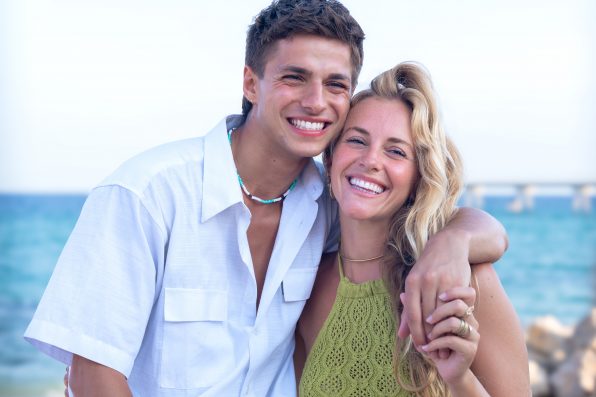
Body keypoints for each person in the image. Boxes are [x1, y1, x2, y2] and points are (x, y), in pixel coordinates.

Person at [25, 1, 507, 396]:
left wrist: (452, 244)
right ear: (250, 83)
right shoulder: (147, 195)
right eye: (295, 77)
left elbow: (460, 224)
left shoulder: (329, 207)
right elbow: (93, 374)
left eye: (336, 84)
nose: (317, 101)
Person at [295, 62, 530, 396]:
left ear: (418, 177)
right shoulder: (308, 287)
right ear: (331, 159)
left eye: (395, 151)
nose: (371, 160)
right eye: (357, 140)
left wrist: (459, 379)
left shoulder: (463, 283)